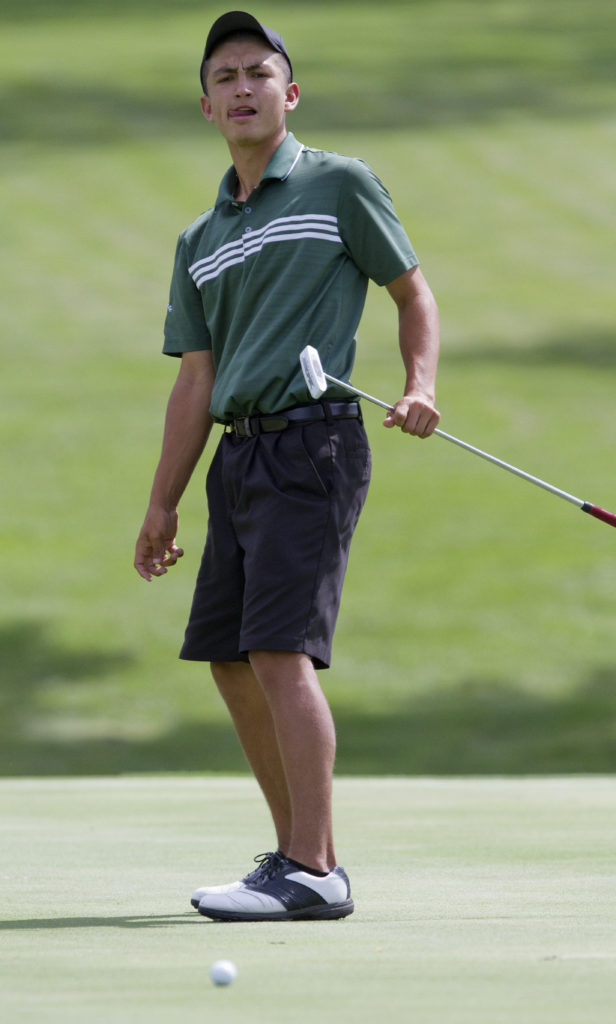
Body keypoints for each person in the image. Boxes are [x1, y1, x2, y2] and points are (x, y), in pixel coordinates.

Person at [134, 10, 440, 922]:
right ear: (206, 106)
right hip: (238, 454)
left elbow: (412, 293)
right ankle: (304, 860)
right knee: (230, 659)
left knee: (277, 649)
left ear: (289, 93)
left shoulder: (339, 183)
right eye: (224, 77)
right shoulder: (199, 239)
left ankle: (311, 868)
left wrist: (420, 383)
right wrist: (162, 502)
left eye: (258, 73)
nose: (242, 88)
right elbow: (197, 379)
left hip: (315, 441)